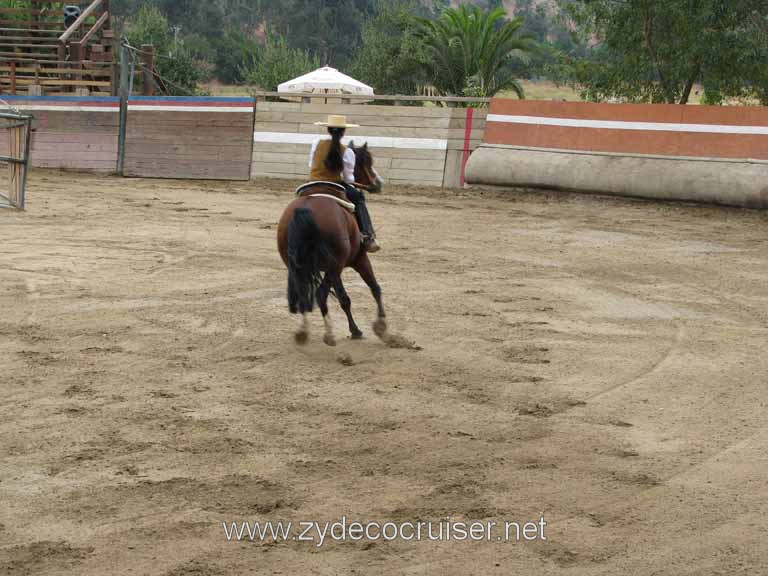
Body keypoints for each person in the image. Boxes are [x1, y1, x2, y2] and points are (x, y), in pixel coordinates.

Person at [308, 115, 380, 253]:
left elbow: (311, 164)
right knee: (358, 198)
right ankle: (367, 236)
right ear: (343, 132)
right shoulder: (347, 151)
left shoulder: (316, 143)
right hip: (334, 186)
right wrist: (362, 186)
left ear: (328, 130)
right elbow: (348, 179)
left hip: (313, 183)